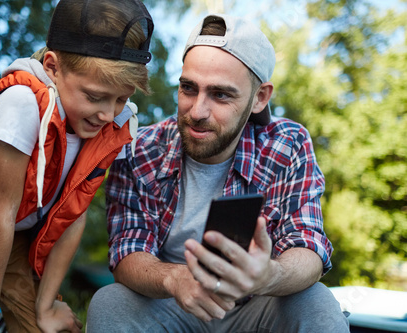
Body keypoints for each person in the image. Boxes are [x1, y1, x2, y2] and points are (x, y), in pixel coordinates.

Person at [87, 14, 349, 332]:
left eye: (221, 94)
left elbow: (308, 244)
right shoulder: (139, 148)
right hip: (171, 306)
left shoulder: (288, 143)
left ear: (259, 97)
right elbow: (128, 250)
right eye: (188, 88)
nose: (197, 111)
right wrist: (174, 278)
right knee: (110, 302)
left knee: (316, 302)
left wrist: (269, 275)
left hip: (256, 307)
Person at [0, 0, 154, 332]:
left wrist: (46, 305)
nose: (108, 114)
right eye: (95, 97)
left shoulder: (113, 122)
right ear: (52, 67)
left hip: (13, 245)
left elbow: (73, 215)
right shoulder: (22, 103)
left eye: (121, 98)